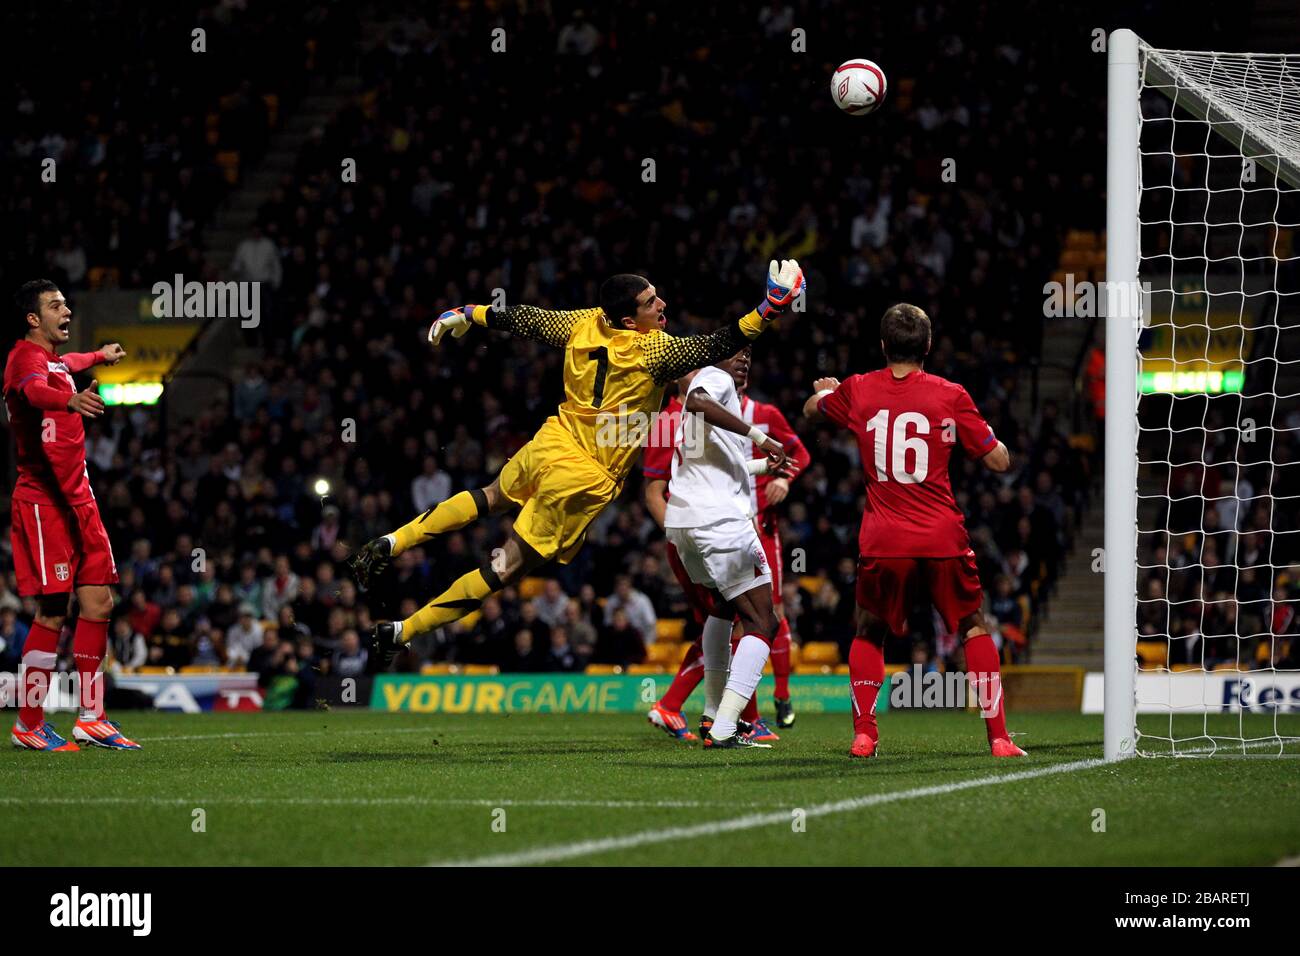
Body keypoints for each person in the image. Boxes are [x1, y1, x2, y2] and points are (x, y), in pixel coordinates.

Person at [348, 261, 804, 669]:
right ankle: (403, 631)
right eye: (650, 303)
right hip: (585, 474)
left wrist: (469, 313)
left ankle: (394, 539)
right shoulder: (653, 352)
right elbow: (720, 342)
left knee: (490, 496)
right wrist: (770, 307)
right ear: (629, 320)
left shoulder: (582, 323)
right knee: (505, 567)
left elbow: (525, 319)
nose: (661, 305)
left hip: (554, 438)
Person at [802, 303, 1024, 758]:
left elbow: (811, 412)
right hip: (942, 536)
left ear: (883, 346)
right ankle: (999, 738)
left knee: (869, 630)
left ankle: (865, 734)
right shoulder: (950, 395)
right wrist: (991, 438)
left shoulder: (858, 390)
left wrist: (825, 394)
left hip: (884, 539)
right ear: (927, 346)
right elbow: (999, 461)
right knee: (973, 627)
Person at [3, 279, 139, 751]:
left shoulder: (54, 360)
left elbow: (68, 364)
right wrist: (70, 400)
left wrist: (98, 356)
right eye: (55, 305)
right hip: (44, 502)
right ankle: (28, 723)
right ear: (33, 319)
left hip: (80, 498)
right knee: (52, 611)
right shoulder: (24, 358)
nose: (67, 310)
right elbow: (36, 391)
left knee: (100, 602)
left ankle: (92, 716)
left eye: (66, 303)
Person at [664, 348, 790, 747]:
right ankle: (727, 727)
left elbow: (707, 462)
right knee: (763, 621)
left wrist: (759, 466)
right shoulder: (715, 380)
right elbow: (698, 401)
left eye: (750, 353)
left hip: (685, 524)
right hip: (720, 522)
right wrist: (761, 437)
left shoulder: (691, 417)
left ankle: (712, 715)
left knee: (720, 609)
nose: (744, 359)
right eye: (735, 351)